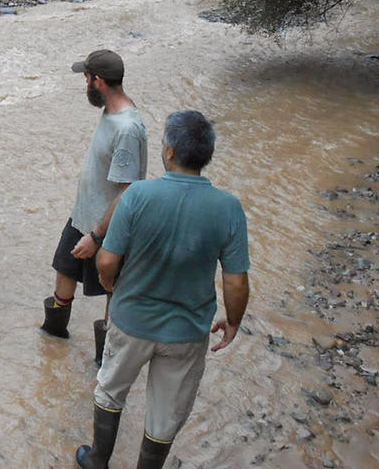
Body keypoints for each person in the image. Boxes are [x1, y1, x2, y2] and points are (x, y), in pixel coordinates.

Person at [75, 110, 250, 469]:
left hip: (132, 319)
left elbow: (107, 260)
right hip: (186, 331)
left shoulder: (138, 195)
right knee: (165, 412)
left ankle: (97, 460)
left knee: (111, 389)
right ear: (206, 155)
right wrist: (233, 321)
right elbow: (235, 280)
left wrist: (112, 287)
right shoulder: (229, 208)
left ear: (169, 152)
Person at [41, 50, 147, 366]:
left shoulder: (127, 128)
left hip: (109, 227)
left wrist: (97, 236)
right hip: (83, 216)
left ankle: (104, 367)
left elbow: (129, 190)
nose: (84, 84)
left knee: (111, 291)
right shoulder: (111, 113)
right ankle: (52, 348)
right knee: (64, 268)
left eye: (86, 78)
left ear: (97, 80)